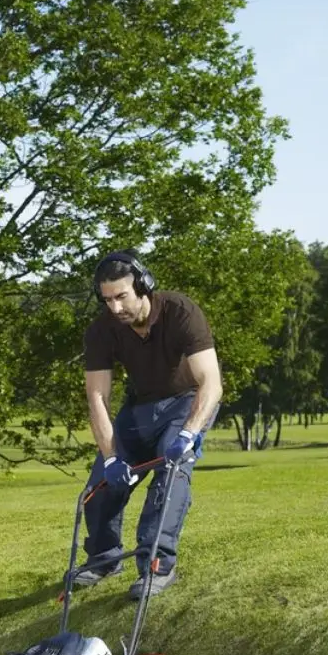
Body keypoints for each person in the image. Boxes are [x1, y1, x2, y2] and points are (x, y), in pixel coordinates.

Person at [73, 249, 223, 600]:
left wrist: (188, 434)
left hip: (188, 401)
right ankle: (105, 558)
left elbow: (212, 384)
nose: (115, 308)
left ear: (143, 286)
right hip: (140, 408)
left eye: (121, 297)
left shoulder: (181, 312)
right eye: (107, 299)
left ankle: (156, 566)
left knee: (170, 476)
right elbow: (97, 397)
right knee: (99, 489)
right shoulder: (102, 331)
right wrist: (111, 458)